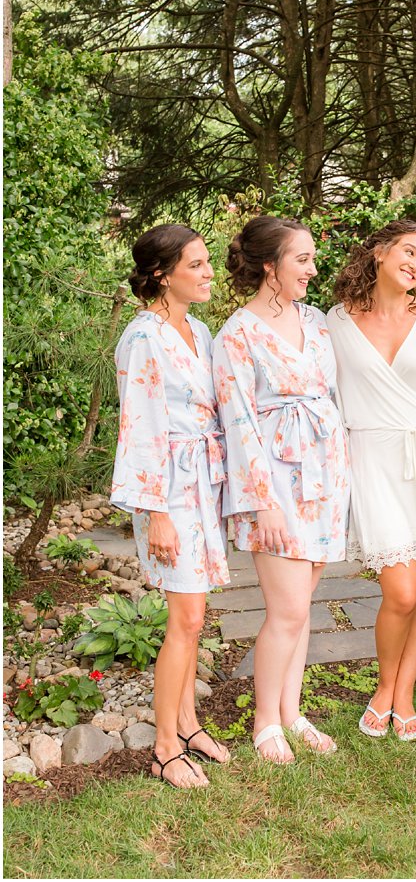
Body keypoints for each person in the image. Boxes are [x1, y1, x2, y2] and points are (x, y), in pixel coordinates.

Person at [214, 216, 350, 762]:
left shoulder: (315, 321)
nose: (313, 270)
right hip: (274, 482)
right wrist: (261, 500)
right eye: (302, 260)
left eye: (313, 258)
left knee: (303, 607)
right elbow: (238, 421)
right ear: (269, 265)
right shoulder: (236, 335)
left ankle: (292, 713)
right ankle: (265, 722)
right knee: (287, 610)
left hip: (325, 473)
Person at [110, 224, 231, 787]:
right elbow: (140, 429)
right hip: (167, 489)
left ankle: (186, 723)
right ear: (163, 274)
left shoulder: (199, 331)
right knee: (184, 618)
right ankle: (164, 748)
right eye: (198, 264)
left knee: (195, 615)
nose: (210, 273)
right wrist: (155, 510)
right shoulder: (143, 338)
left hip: (202, 484)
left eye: (208, 263)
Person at [326, 219, 416, 741]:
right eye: (408, 251)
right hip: (371, 457)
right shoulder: (333, 322)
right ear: (379, 253)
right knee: (400, 589)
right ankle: (384, 687)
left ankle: (403, 693)